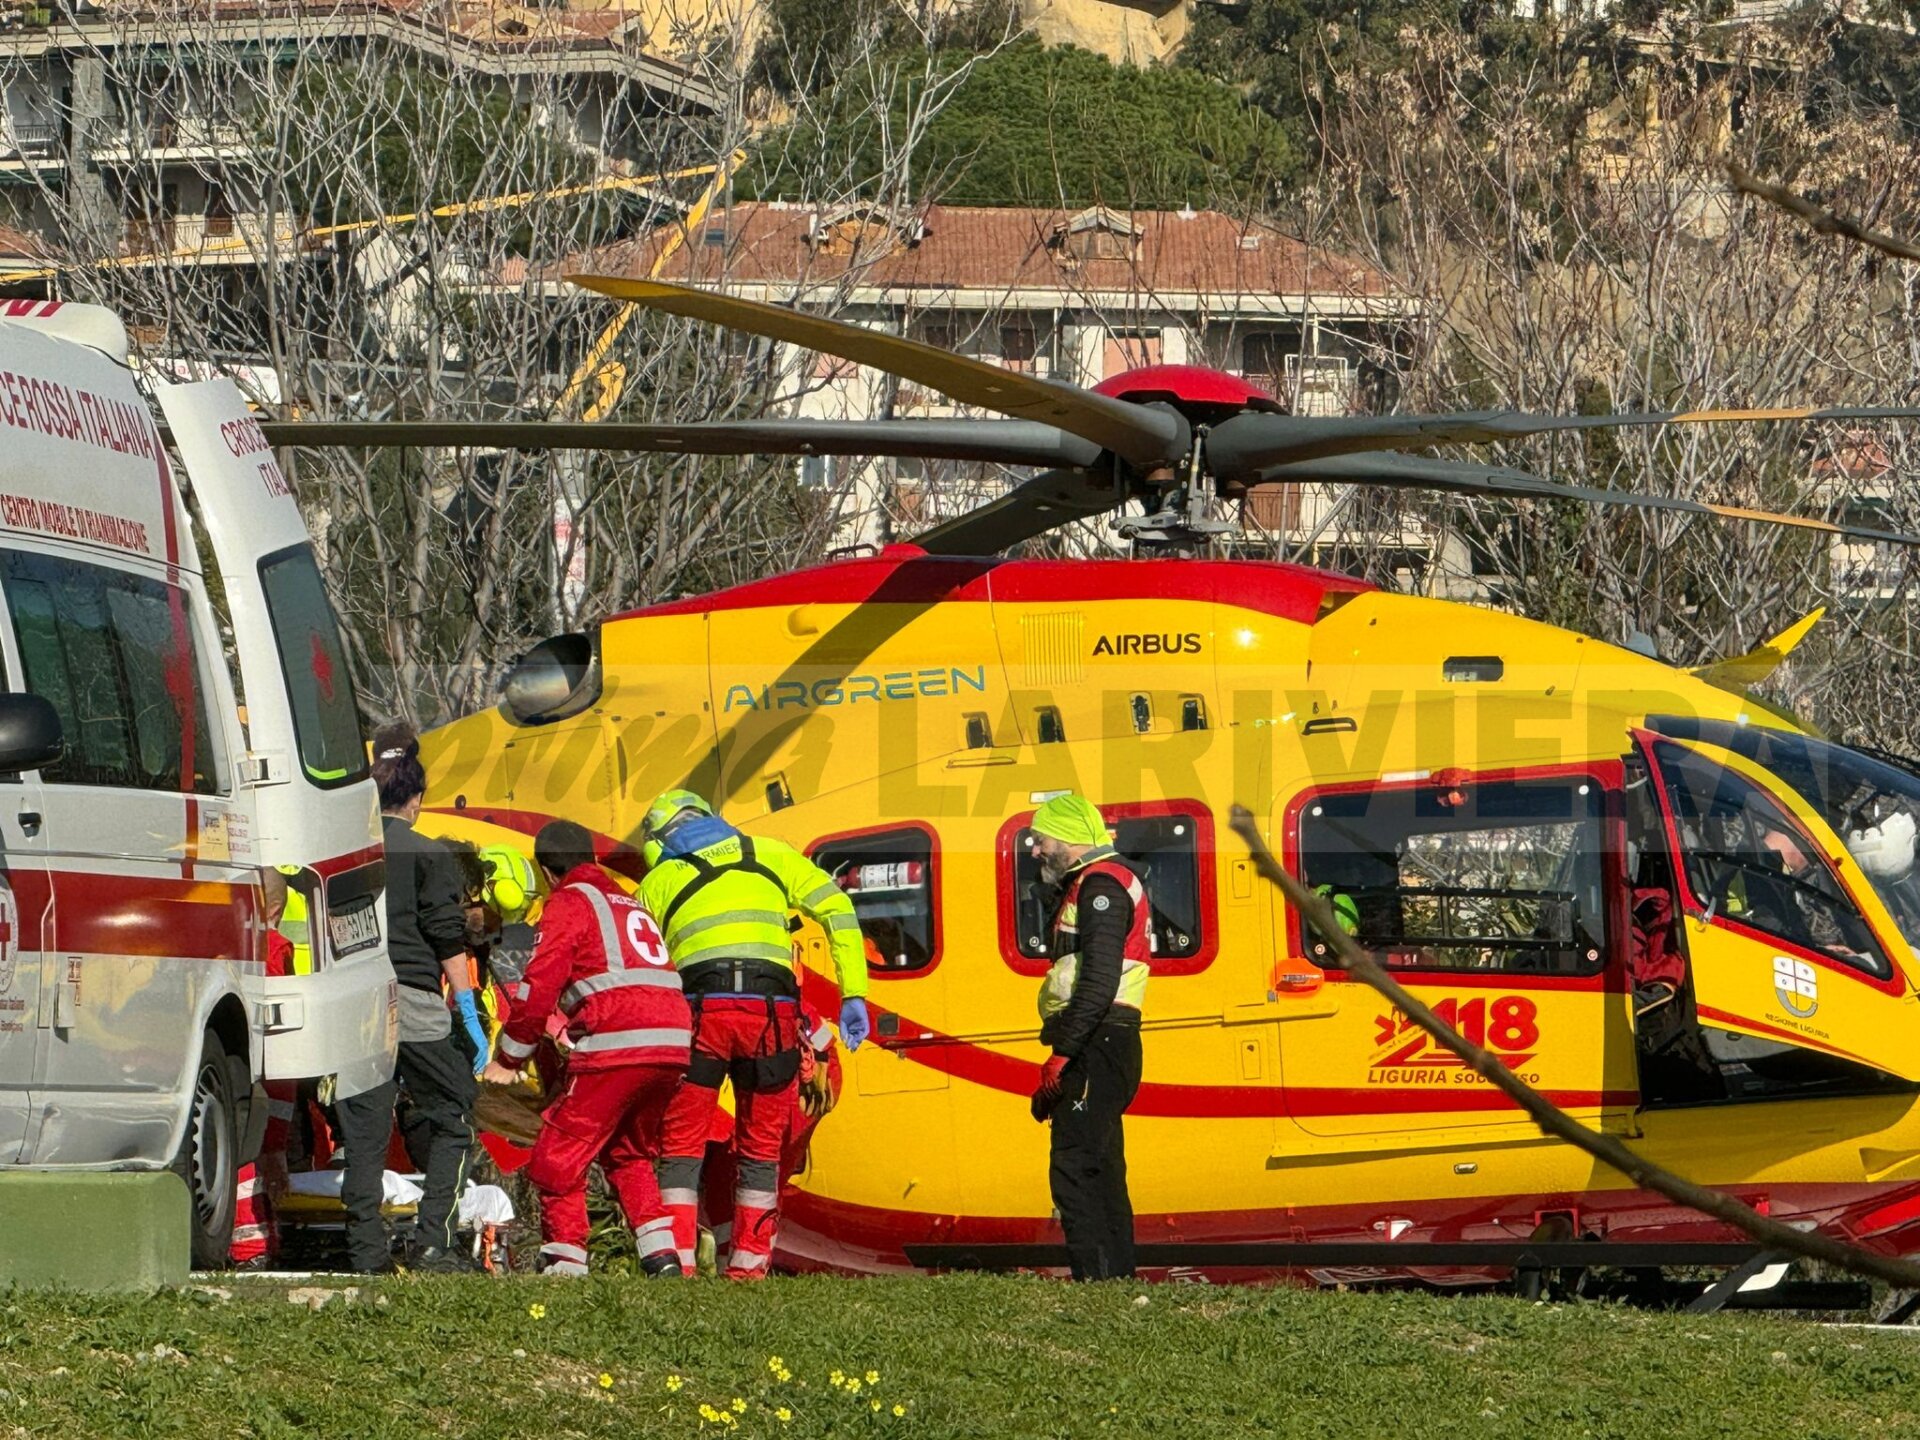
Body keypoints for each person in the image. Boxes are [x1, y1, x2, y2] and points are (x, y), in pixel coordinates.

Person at [638, 790, 870, 1279]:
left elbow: (644, 967)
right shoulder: (771, 853)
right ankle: (749, 1269)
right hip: (773, 1016)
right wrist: (853, 992)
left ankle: (676, 1269)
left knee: (680, 1148)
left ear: (659, 842)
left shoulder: (658, 882)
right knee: (761, 1150)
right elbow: (838, 911)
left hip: (699, 1017)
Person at [481, 819, 691, 1277]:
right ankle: (664, 1260)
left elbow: (539, 987)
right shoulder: (626, 901)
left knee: (557, 1156)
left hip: (618, 1040)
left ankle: (565, 1266)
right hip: (673, 1041)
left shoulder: (569, 903)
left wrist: (509, 1058)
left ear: (547, 872)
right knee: (628, 1154)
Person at [364, 721, 480, 1272]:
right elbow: (446, 937)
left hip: (354, 999)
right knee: (455, 1112)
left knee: (365, 1122)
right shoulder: (428, 853)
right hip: (411, 998)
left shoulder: (352, 851)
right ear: (415, 798)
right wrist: (470, 1012)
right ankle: (436, 1240)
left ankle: (364, 1247)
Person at [1026, 793, 1148, 1282]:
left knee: (1078, 1167)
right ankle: (1114, 1278)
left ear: (1070, 839)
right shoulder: (1094, 884)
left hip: (1098, 1038)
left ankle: (1098, 1281)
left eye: (1041, 840)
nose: (1036, 852)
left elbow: (1099, 979)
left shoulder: (1101, 885)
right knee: (1100, 1162)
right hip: (1101, 1040)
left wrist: (1063, 1055)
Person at [230, 867, 301, 1270]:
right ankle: (253, 1246)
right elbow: (278, 1032)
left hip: (233, 1071)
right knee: (257, 1159)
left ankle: (250, 1244)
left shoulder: (226, 944)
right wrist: (278, 1141)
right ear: (275, 907)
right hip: (268, 1072)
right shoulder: (274, 949)